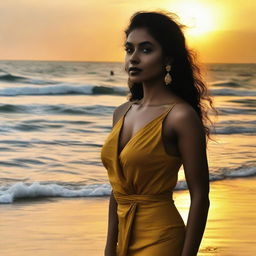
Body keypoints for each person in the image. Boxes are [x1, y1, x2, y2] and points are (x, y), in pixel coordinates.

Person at [101, 10, 217, 256]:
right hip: (123, 240)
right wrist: (109, 247)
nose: (134, 58)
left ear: (168, 59)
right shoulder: (121, 112)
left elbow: (200, 197)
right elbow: (117, 189)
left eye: (145, 49)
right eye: (129, 49)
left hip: (162, 240)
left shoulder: (180, 116)